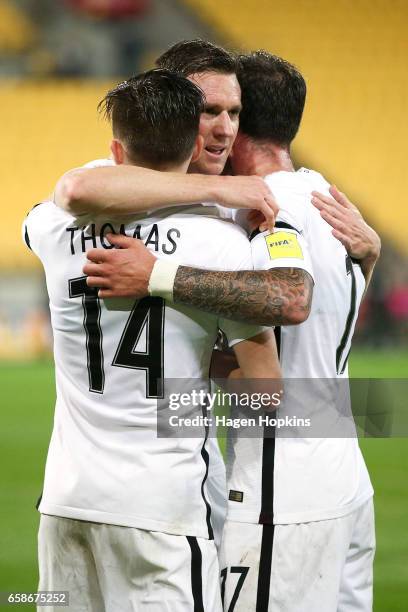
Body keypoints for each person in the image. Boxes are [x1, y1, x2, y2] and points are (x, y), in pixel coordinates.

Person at [79, 51, 381, 612]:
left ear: (243, 128)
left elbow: (291, 303)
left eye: (230, 113)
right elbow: (327, 319)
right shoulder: (334, 204)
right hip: (345, 477)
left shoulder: (252, 216)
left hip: (280, 488)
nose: (219, 129)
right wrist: (372, 258)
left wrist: (157, 274)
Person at [23, 69, 281, 612]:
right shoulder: (220, 244)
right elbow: (267, 390)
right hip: (160, 508)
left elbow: (75, 190)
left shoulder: (50, 228)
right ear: (194, 144)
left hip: (67, 504)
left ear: (116, 148)